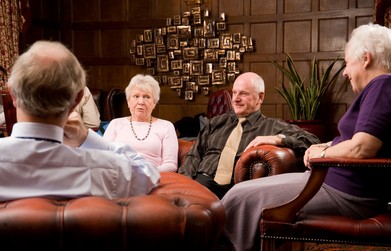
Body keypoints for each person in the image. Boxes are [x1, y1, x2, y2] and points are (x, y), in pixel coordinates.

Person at [222, 23, 391, 251]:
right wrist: (327, 146)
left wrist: (320, 155)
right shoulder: (379, 89)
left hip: (344, 193)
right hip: (325, 181)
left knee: (238, 198)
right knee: (239, 192)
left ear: (365, 58)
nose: (345, 72)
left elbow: (362, 147)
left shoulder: (382, 85)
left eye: (347, 63)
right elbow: (355, 140)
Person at [0, 40, 160, 202]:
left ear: (12, 94)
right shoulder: (109, 170)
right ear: (77, 99)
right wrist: (86, 137)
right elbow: (149, 173)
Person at [178, 72, 320, 199]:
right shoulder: (216, 123)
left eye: (243, 94)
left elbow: (312, 140)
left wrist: (278, 138)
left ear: (260, 97)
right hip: (201, 181)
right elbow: (194, 155)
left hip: (235, 188)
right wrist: (184, 184)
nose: (235, 99)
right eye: (234, 93)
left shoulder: (271, 126)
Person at [103, 74, 178, 172]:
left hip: (152, 178)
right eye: (136, 96)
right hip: (119, 175)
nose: (141, 102)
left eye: (146, 97)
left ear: (154, 102)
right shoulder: (115, 124)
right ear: (129, 101)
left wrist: (145, 173)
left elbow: (171, 165)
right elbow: (103, 156)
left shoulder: (166, 126)